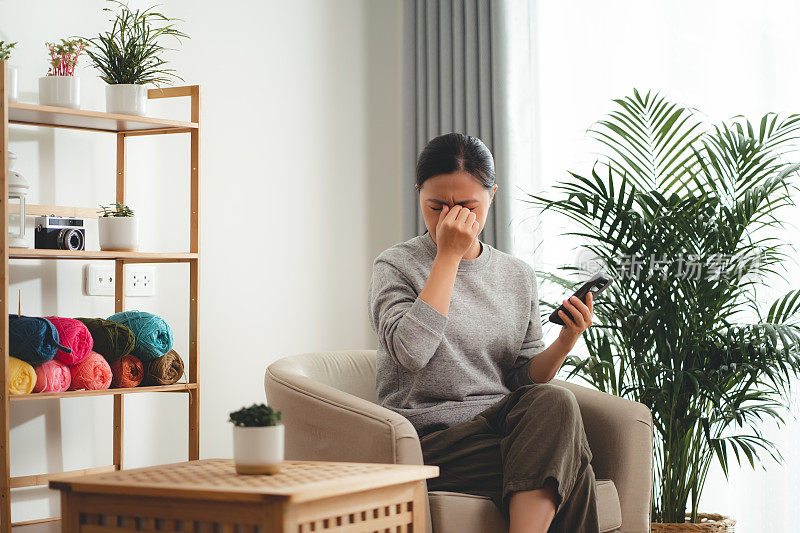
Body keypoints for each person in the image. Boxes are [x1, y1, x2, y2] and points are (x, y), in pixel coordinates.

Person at [368, 133, 599, 533]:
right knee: (571, 462)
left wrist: (565, 342)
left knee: (555, 404)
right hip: (431, 440)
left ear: (492, 195)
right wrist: (448, 256)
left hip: (503, 429)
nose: (449, 218)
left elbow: (523, 379)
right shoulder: (396, 265)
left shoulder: (516, 275)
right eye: (436, 205)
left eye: (467, 207)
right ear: (418, 194)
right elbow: (411, 351)